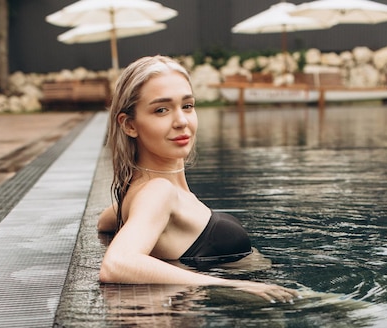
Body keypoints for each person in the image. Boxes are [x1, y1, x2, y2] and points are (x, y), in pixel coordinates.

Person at [98, 55, 298, 304]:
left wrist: (126, 213)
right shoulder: (158, 192)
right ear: (129, 125)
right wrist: (232, 286)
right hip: (254, 306)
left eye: (188, 106)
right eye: (161, 110)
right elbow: (117, 264)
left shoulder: (144, 193)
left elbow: (105, 222)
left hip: (263, 303)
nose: (181, 121)